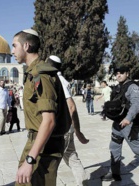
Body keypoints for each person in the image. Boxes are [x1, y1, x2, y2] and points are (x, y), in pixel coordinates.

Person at [12, 29, 70, 185]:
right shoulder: (33, 73)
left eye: (14, 46)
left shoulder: (41, 75)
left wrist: (30, 160)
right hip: (37, 144)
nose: (12, 51)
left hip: (44, 149)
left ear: (26, 46)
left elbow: (49, 121)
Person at [101, 66, 139, 184]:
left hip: (130, 124)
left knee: (137, 149)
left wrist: (128, 118)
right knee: (114, 148)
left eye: (121, 73)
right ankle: (114, 172)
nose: (118, 75)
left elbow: (136, 105)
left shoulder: (133, 87)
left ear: (127, 74)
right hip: (117, 124)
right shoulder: (117, 87)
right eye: (117, 73)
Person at [47, 55, 90, 185]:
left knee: (50, 162)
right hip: (65, 128)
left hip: (61, 130)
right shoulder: (59, 79)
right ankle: (83, 182)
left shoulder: (57, 80)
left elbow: (71, 106)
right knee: (71, 157)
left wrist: (78, 130)